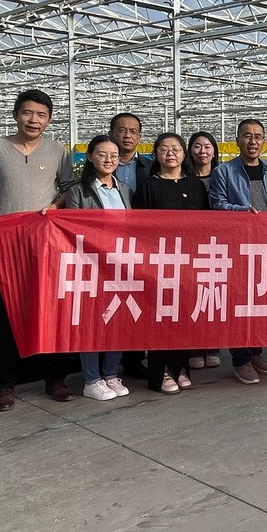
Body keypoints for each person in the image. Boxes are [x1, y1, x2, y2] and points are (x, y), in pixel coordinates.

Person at [0, 89, 76, 411]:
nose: (33, 120)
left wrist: (55, 207)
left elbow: (70, 188)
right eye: (28, 113)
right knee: (4, 314)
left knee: (51, 309)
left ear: (49, 120)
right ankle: (5, 385)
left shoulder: (58, 151)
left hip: (45, 243)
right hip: (4, 245)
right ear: (16, 115)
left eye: (41, 115)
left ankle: (55, 379)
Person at [133, 133, 209, 394]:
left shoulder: (196, 186)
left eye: (176, 149)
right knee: (160, 315)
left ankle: (181, 368)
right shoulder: (148, 186)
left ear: (184, 154)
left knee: (183, 315)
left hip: (188, 260)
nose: (170, 153)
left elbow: (207, 223)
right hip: (158, 261)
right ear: (155, 153)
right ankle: (161, 371)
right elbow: (138, 226)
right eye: (164, 149)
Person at [209, 119, 267, 383]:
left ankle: (255, 352)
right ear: (237, 140)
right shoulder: (224, 171)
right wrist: (243, 212)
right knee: (238, 302)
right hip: (237, 246)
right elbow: (217, 204)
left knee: (260, 300)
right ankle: (240, 359)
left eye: (258, 136)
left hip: (266, 244)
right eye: (247, 136)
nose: (253, 141)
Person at [64, 135, 132, 401]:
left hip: (120, 263)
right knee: (91, 321)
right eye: (102, 154)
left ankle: (111, 373)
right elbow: (73, 229)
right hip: (91, 264)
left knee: (117, 318)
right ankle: (91, 379)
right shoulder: (79, 191)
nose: (109, 160)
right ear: (90, 156)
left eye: (114, 155)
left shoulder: (124, 189)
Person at [109, 112, 151, 379]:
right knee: (111, 299)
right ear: (111, 133)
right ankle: (108, 361)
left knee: (138, 298)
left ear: (139, 137)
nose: (127, 135)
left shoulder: (149, 167)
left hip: (142, 241)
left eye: (133, 131)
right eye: (122, 130)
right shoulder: (103, 161)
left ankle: (134, 359)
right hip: (107, 242)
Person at [187, 130, 221, 371]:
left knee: (214, 294)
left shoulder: (223, 176)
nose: (203, 151)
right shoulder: (184, 178)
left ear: (214, 151)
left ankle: (212, 345)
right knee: (192, 295)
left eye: (208, 146)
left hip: (217, 245)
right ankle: (194, 346)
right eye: (197, 146)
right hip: (191, 245)